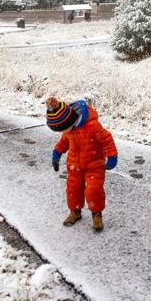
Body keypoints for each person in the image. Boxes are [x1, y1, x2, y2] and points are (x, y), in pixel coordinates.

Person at [46, 97, 118, 232]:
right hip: (74, 164)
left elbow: (107, 139)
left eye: (65, 129)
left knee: (93, 191)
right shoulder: (68, 129)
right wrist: (56, 153)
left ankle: (96, 215)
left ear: (71, 120)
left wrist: (112, 155)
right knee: (73, 189)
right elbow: (64, 142)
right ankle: (75, 212)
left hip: (94, 164)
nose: (66, 132)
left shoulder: (92, 126)